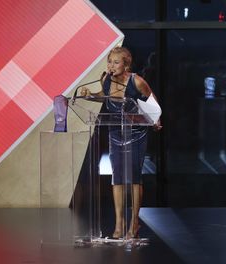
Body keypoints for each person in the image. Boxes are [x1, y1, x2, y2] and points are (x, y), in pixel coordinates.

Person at [81, 46, 162, 239]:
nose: (111, 65)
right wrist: (90, 95)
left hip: (135, 132)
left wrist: (156, 118)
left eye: (116, 62)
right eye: (110, 61)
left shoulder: (137, 81)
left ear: (126, 65)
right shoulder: (106, 79)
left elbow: (153, 101)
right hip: (116, 130)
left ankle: (134, 223)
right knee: (117, 177)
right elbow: (104, 96)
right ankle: (119, 223)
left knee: (133, 177)